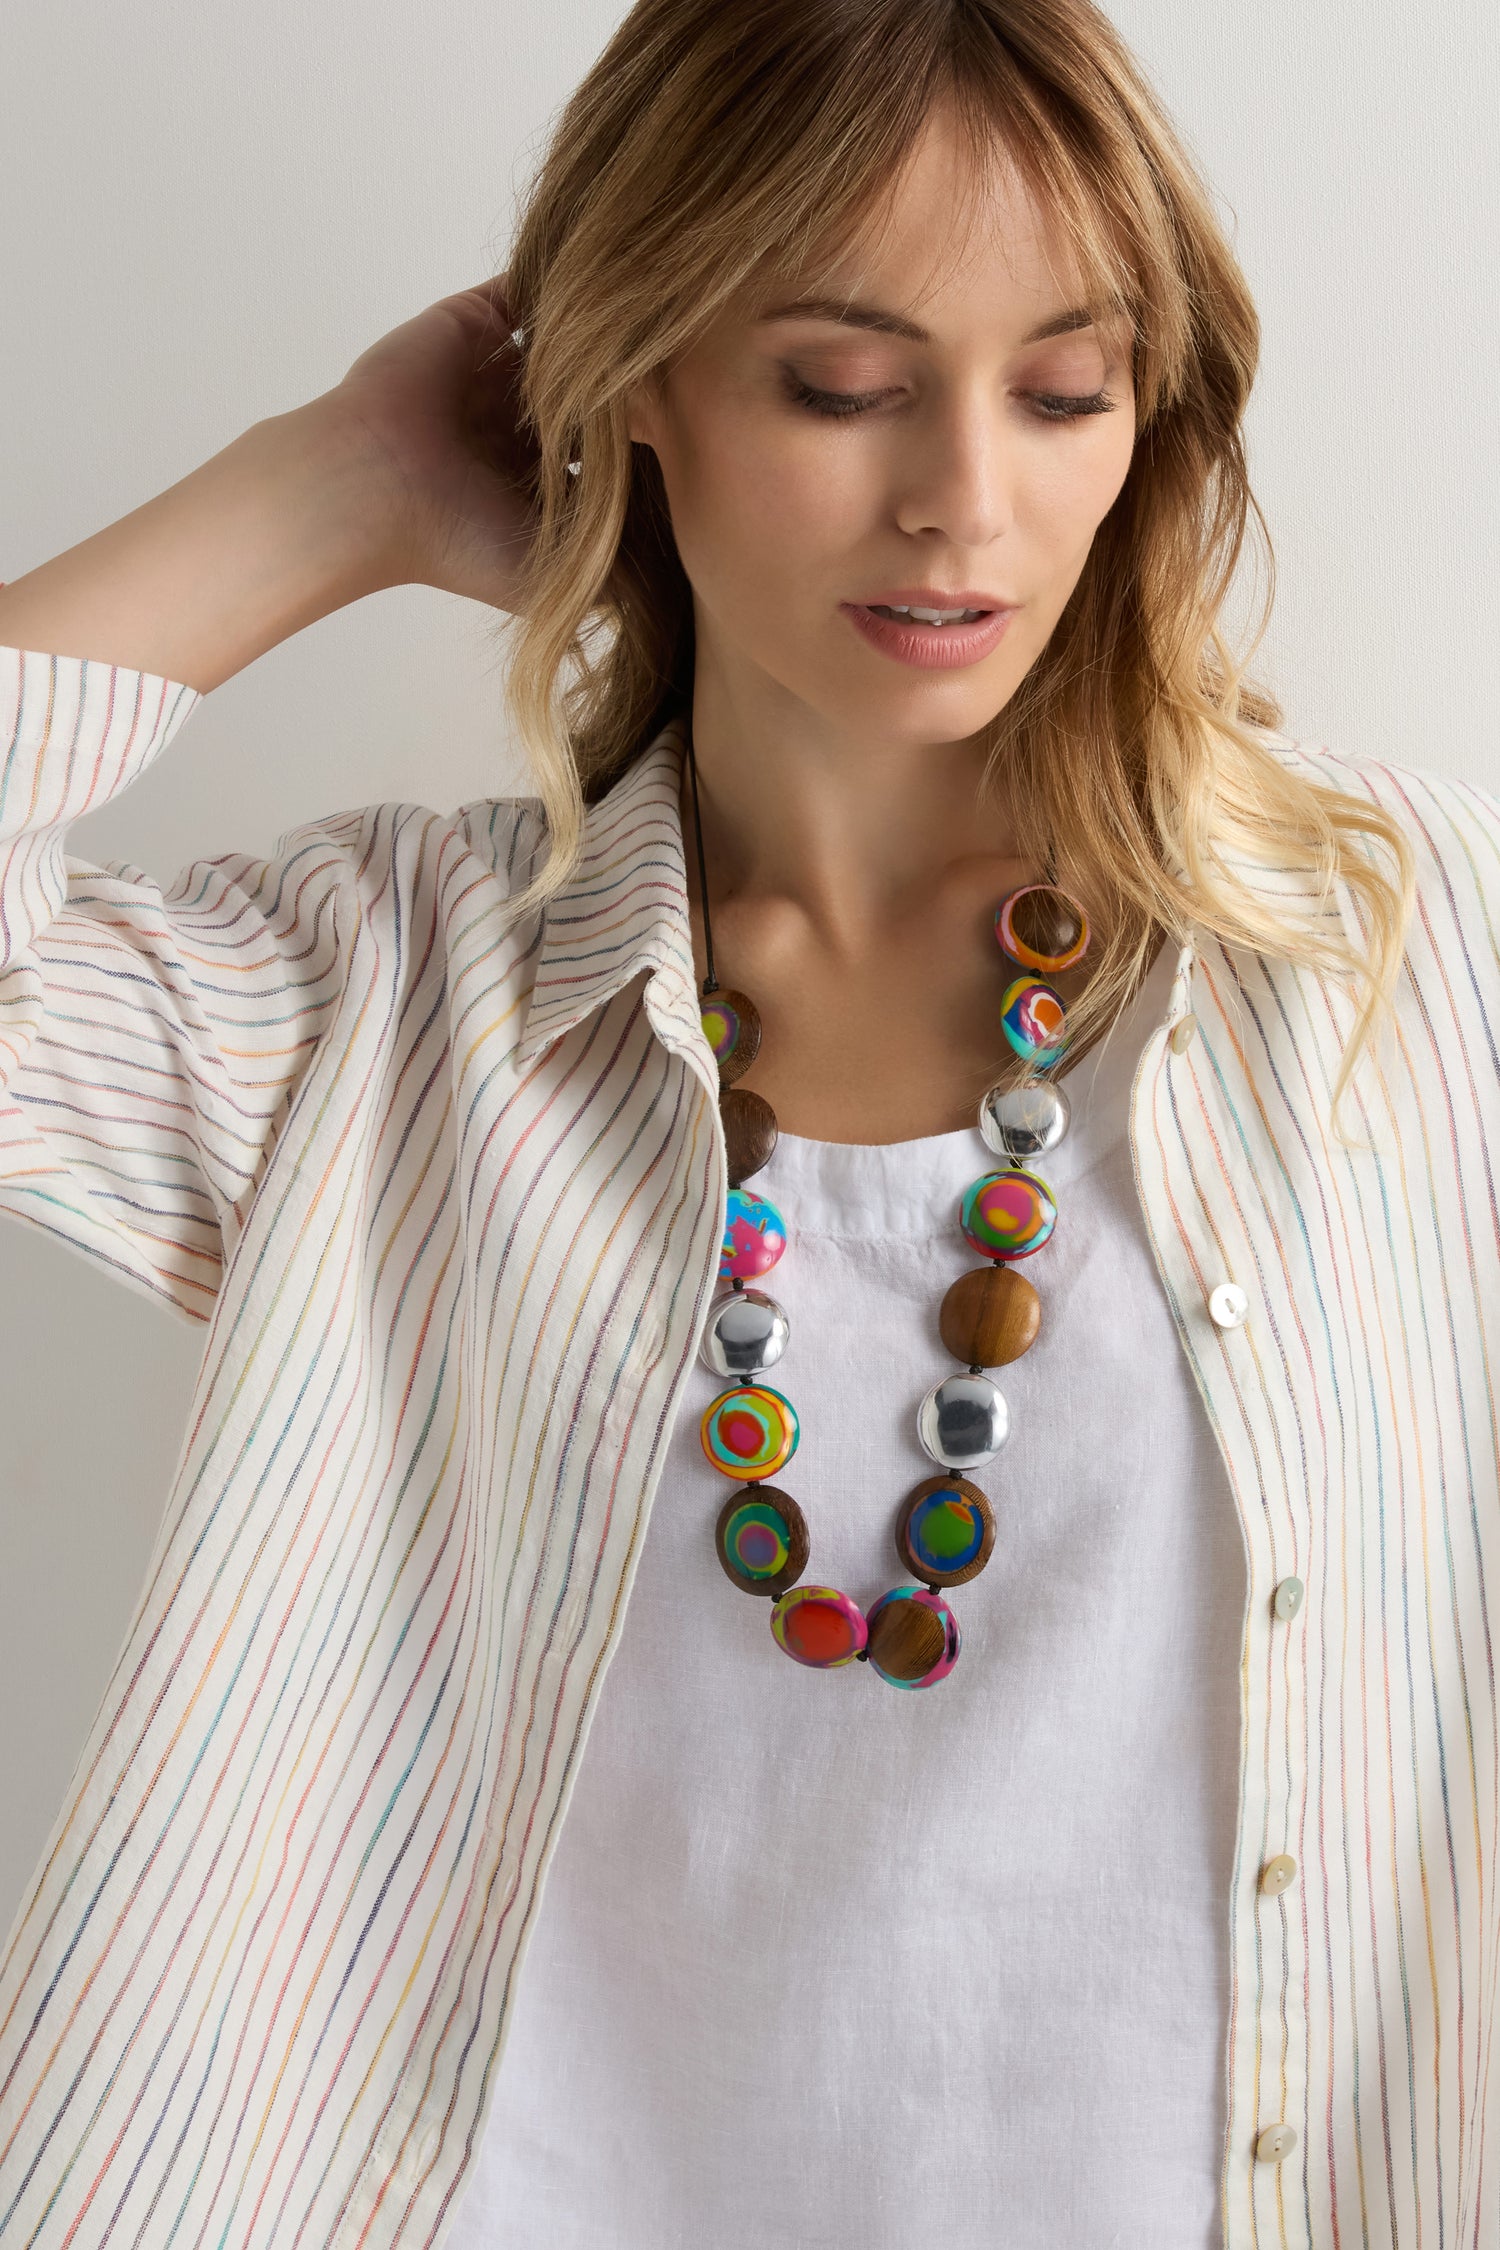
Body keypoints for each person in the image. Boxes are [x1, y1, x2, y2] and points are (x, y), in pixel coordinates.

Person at [0, 0, 1495, 2244]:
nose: (965, 499)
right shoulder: (394, 1010)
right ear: (632, 382)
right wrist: (348, 481)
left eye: (1064, 389)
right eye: (841, 381)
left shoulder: (1394, 955)